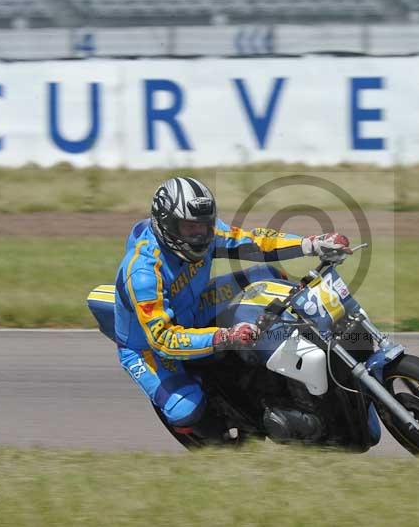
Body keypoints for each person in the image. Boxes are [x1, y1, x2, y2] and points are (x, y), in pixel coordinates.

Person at [114, 177, 352, 442]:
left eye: (205, 226)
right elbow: (163, 339)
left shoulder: (205, 235)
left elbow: (253, 242)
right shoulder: (143, 273)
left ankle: (289, 357)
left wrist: (311, 244)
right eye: (190, 227)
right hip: (148, 345)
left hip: (195, 307)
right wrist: (225, 336)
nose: (200, 235)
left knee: (266, 273)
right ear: (166, 224)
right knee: (185, 410)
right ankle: (219, 442)